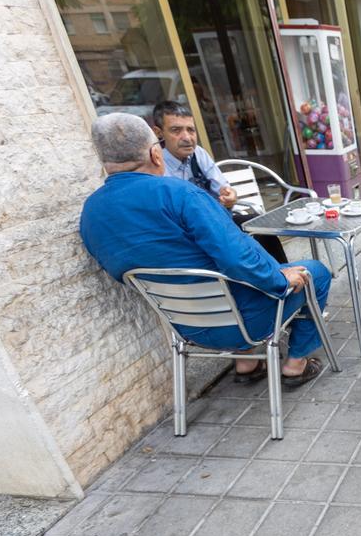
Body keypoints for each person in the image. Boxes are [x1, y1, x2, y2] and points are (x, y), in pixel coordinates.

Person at [80, 113, 328, 387]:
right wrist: (280, 279)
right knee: (315, 272)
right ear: (155, 153)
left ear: (103, 161)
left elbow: (119, 272)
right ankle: (295, 365)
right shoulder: (181, 194)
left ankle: (247, 362)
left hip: (186, 327)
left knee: (235, 278)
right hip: (246, 323)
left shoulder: (91, 212)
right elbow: (238, 257)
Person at [151, 101, 288, 263]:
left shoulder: (198, 154)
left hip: (217, 223)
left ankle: (285, 276)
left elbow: (224, 189)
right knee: (241, 250)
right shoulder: (156, 166)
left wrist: (230, 196)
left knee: (257, 227)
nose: (187, 138)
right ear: (159, 133)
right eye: (176, 130)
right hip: (189, 236)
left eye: (191, 130)